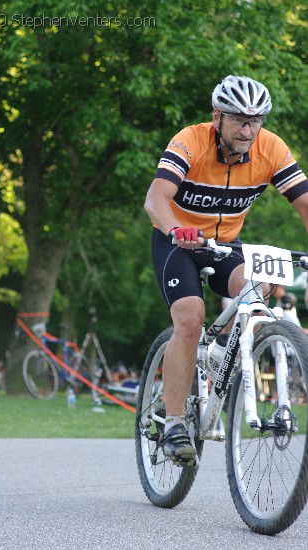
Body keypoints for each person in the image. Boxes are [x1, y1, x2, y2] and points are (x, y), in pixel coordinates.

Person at [144, 75, 308, 461]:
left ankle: (221, 348)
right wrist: (175, 228)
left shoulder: (271, 148)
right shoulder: (190, 140)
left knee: (258, 289)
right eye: (239, 120)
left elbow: (304, 202)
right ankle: (173, 423)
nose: (248, 130)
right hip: (177, 241)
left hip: (224, 245)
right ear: (216, 116)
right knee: (190, 319)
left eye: (256, 120)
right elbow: (155, 199)